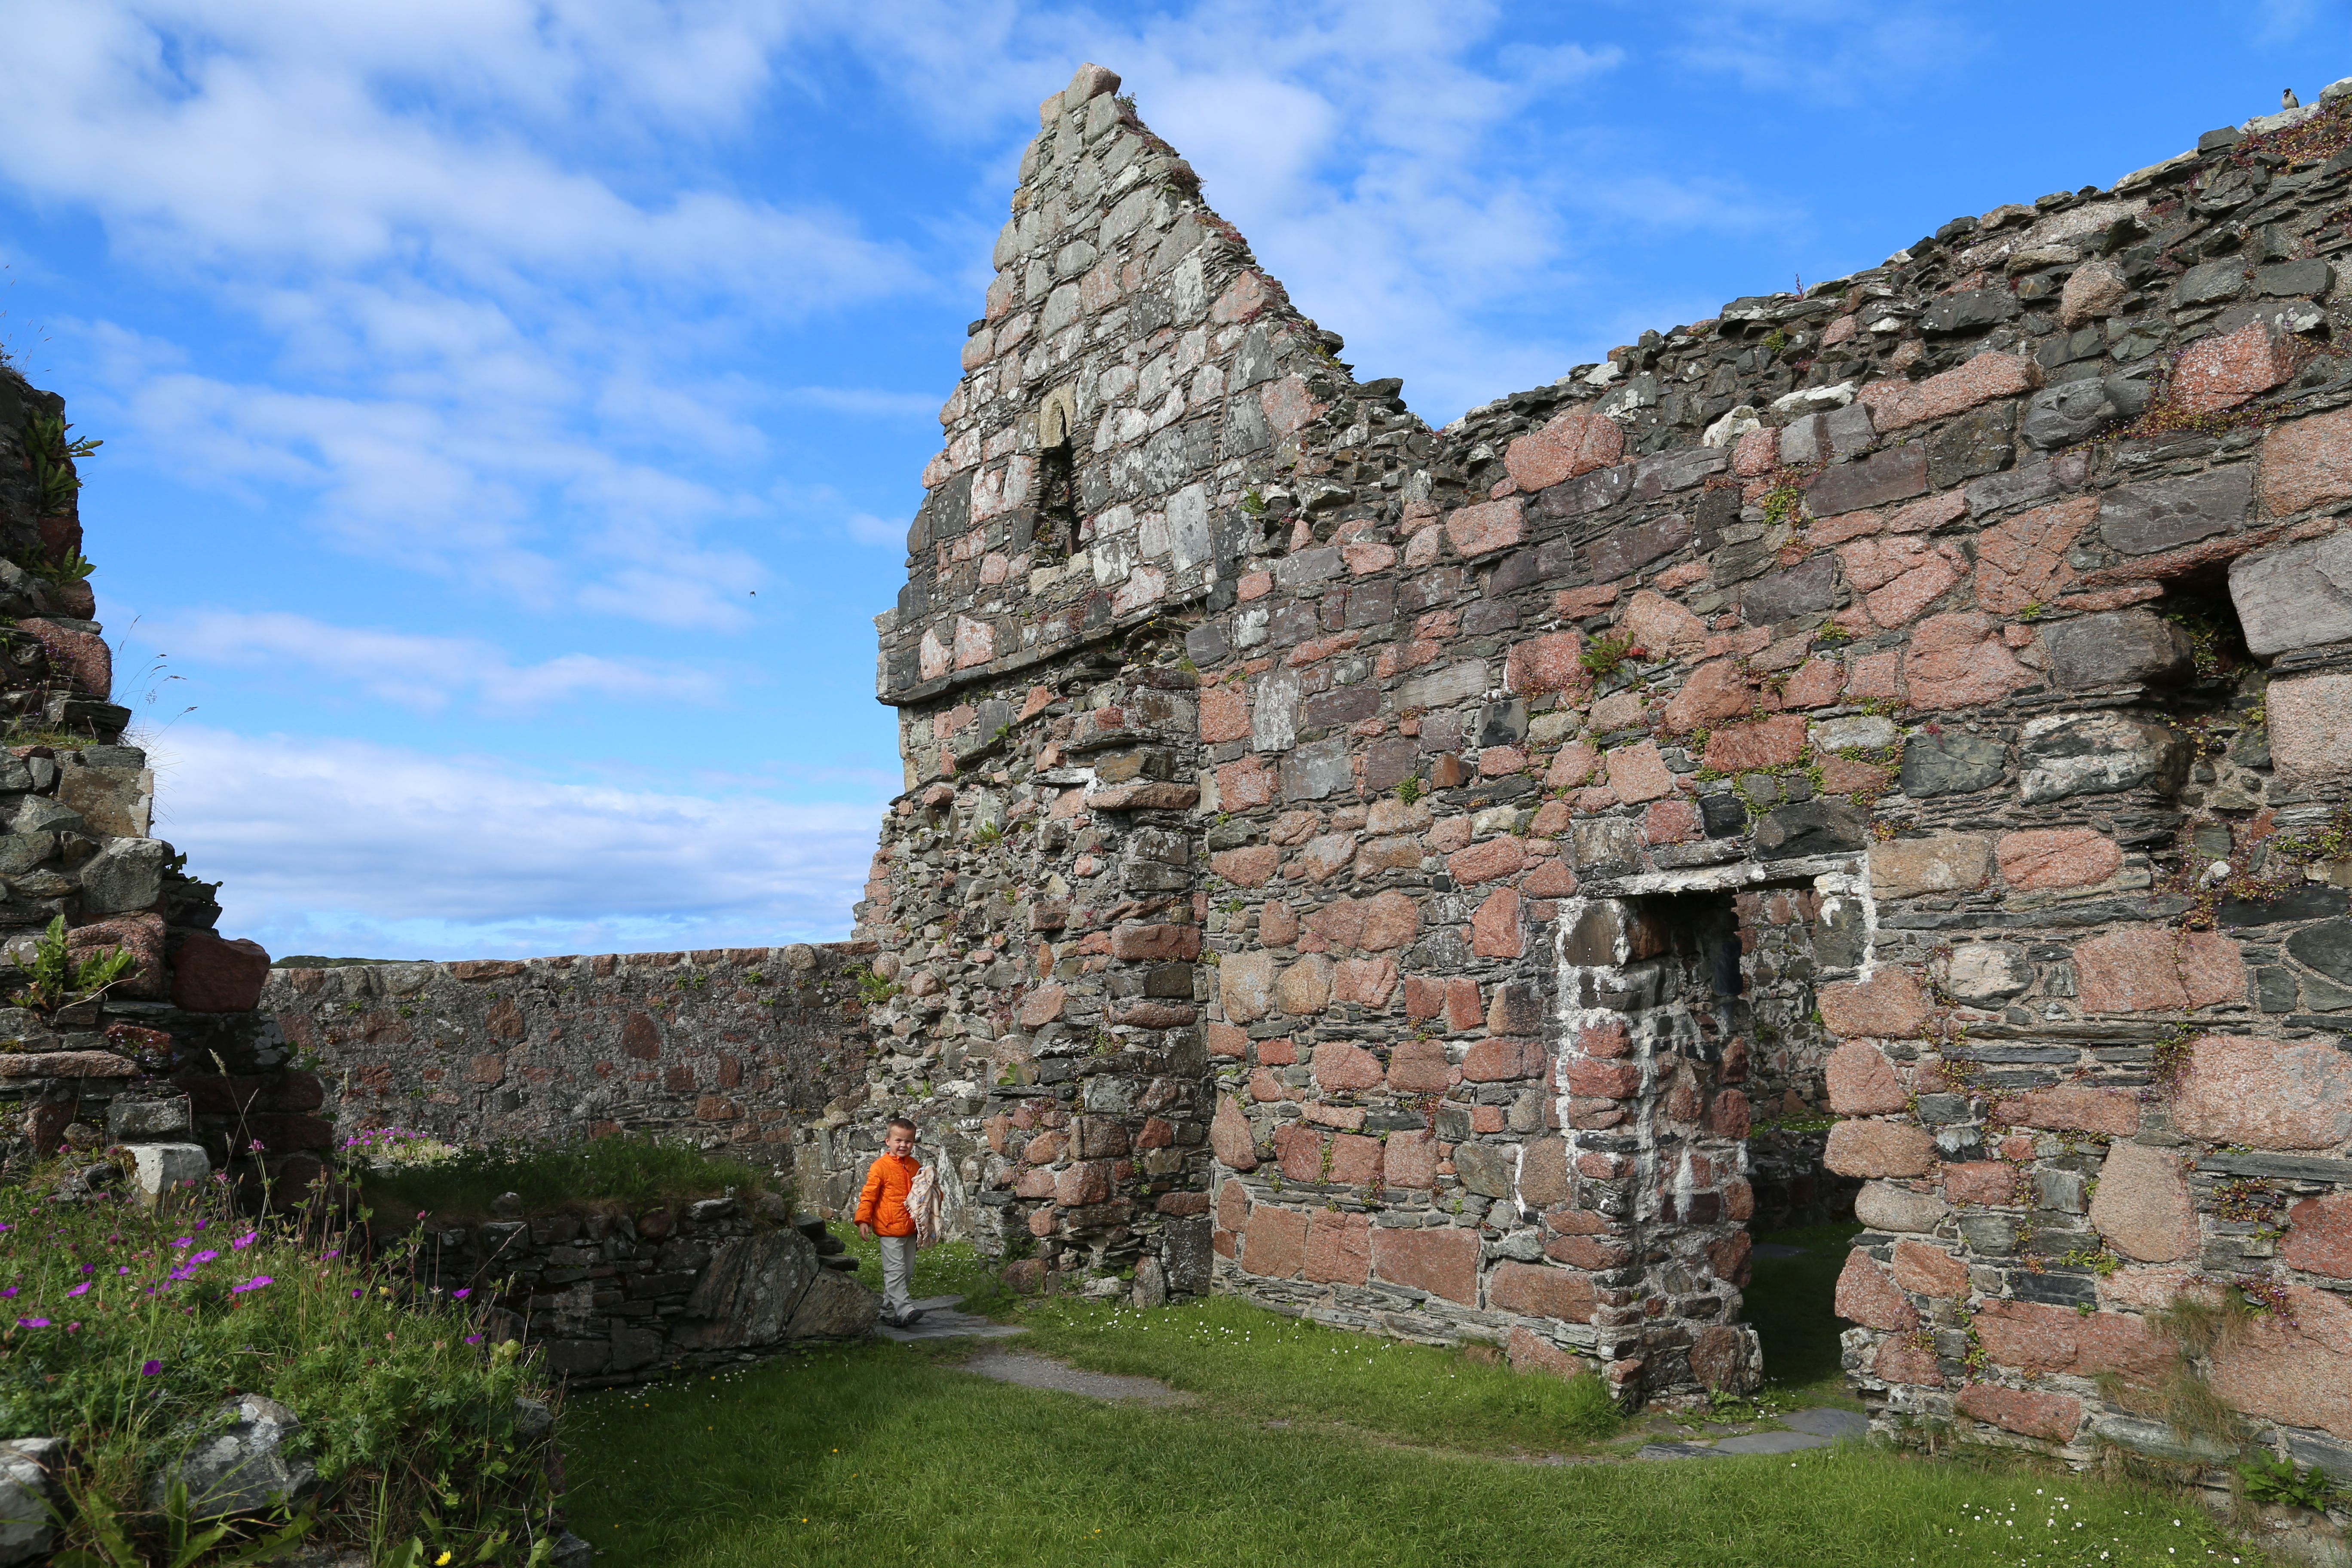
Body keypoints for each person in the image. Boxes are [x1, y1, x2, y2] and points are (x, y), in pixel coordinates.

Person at [855, 1117, 925, 1327]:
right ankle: (904, 1309)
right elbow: (868, 1196)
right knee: (895, 1271)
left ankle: (887, 1311)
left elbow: (923, 1193)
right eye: (898, 1141)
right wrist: (863, 1220)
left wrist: (934, 1194)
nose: (903, 1145)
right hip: (889, 1228)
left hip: (910, 1228)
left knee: (908, 1271)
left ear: (914, 1142)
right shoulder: (880, 1167)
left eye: (909, 1141)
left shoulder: (915, 1166)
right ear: (888, 1141)